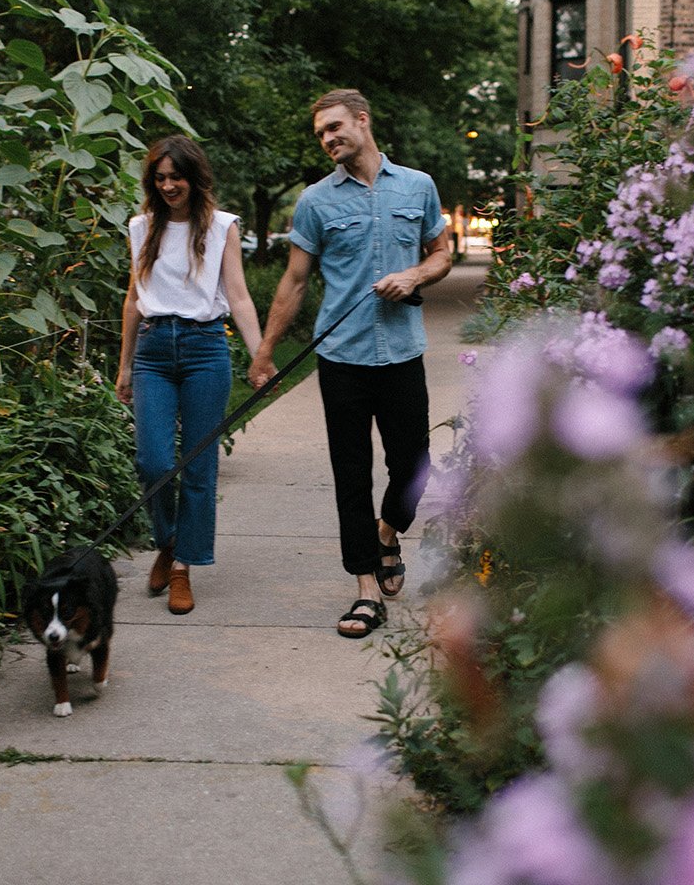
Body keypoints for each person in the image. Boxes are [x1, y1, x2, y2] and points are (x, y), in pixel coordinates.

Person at [250, 89, 451, 638]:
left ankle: (386, 537)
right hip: (342, 359)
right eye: (321, 133)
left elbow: (442, 252)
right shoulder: (316, 201)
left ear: (363, 121)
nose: (328, 138)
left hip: (402, 352)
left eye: (335, 127)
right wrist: (265, 352)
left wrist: (414, 276)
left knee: (414, 467)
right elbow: (294, 280)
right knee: (351, 475)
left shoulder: (418, 186)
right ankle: (364, 589)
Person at [116, 135, 263, 615]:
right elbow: (134, 299)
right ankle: (169, 539)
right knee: (153, 461)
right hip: (154, 351)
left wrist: (260, 356)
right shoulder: (142, 228)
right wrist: (124, 365)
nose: (167, 185)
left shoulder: (222, 227)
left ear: (193, 177)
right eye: (159, 178)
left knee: (199, 467)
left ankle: (182, 568)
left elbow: (238, 296)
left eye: (175, 176)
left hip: (205, 349)